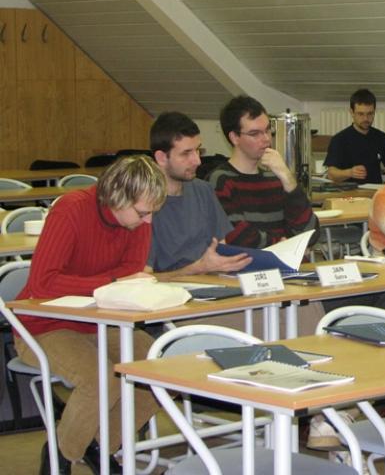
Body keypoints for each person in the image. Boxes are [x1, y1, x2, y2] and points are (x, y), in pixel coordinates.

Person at [14, 155, 167, 475]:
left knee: (163, 373)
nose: (148, 221)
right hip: (42, 324)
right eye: (143, 212)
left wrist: (116, 283)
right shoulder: (71, 209)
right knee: (102, 379)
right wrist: (111, 283)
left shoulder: (136, 220)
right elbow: (43, 284)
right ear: (117, 198)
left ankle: (94, 445)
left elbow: (131, 272)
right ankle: (60, 456)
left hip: (100, 321)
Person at [148, 111, 252, 278]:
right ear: (161, 158)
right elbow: (143, 279)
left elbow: (221, 251)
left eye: (197, 150)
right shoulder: (143, 204)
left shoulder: (203, 190)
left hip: (213, 283)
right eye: (186, 153)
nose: (197, 161)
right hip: (171, 290)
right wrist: (197, 269)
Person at [208, 95, 319, 249]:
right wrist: (282, 245)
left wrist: (288, 178)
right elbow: (237, 236)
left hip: (284, 260)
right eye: (255, 134)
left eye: (267, 130)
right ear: (234, 137)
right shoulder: (220, 181)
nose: (266, 139)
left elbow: (310, 234)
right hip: (252, 262)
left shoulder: (275, 177)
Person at [324, 88, 385, 184]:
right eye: (360, 114)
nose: (366, 118)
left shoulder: (381, 137)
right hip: (349, 192)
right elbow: (331, 174)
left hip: (375, 191)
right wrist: (350, 173)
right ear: (352, 112)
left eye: (370, 114)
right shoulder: (339, 139)